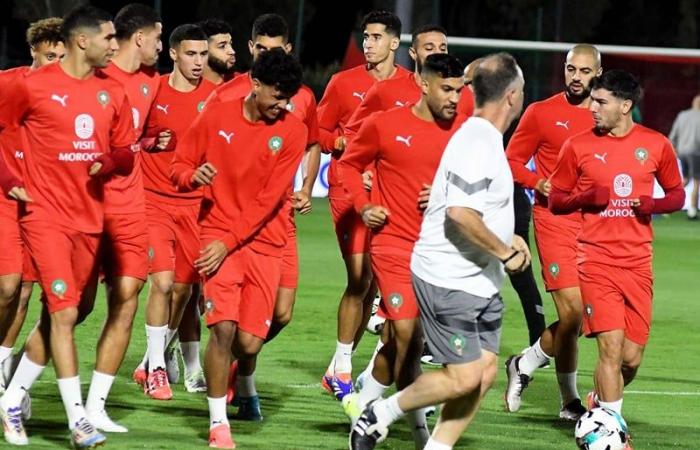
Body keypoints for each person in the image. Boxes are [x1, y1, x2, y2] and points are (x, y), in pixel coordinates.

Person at [350, 52, 530, 450]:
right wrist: (505, 250)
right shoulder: (477, 139)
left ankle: (437, 446)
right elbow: (461, 213)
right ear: (513, 97)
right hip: (451, 278)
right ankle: (378, 414)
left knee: (483, 373)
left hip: (479, 280)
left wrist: (508, 238)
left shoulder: (479, 136)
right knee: (462, 375)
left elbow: (476, 206)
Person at [0, 5, 135, 447]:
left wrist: (107, 161)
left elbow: (126, 152)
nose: (115, 45)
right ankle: (79, 419)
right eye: (109, 38)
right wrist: (10, 179)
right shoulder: (30, 85)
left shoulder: (112, 92)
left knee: (62, 314)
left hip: (89, 219)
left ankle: (11, 398)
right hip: (45, 217)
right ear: (83, 41)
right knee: (63, 312)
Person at [171, 48, 306, 449]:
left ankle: (237, 378)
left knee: (248, 343)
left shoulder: (293, 130)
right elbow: (180, 164)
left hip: (263, 241)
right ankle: (218, 425)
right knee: (223, 329)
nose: (280, 106)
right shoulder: (216, 115)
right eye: (276, 97)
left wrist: (230, 242)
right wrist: (192, 177)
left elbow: (268, 201)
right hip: (215, 236)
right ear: (256, 84)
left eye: (286, 100)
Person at [548, 69, 684, 443]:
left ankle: (600, 402)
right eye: (593, 99)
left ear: (625, 106)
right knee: (609, 348)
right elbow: (556, 199)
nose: (592, 107)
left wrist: (652, 204)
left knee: (631, 358)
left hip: (638, 264)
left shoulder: (655, 145)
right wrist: (583, 199)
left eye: (601, 101)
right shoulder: (577, 146)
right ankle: (609, 435)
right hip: (595, 261)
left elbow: (677, 195)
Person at [339, 53, 467, 449]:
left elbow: (485, 184)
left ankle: (368, 403)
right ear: (424, 85)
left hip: (442, 251)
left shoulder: (466, 131)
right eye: (446, 89)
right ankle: (417, 433)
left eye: (459, 91)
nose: (454, 99)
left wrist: (449, 194)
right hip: (394, 245)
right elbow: (345, 167)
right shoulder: (385, 125)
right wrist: (364, 206)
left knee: (405, 339)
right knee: (408, 333)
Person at [205, 13, 321, 420]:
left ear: (287, 49)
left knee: (281, 315)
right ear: (252, 48)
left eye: (276, 49)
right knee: (225, 325)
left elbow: (314, 143)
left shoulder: (301, 97)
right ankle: (241, 386)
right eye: (262, 49)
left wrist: (306, 187)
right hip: (233, 226)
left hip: (278, 225)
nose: (269, 55)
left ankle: (236, 370)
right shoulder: (227, 97)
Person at [503, 44, 602, 420]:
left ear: (597, 73)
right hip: (554, 222)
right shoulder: (542, 113)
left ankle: (524, 363)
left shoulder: (604, 115)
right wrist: (537, 182)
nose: (576, 77)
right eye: (570, 69)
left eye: (584, 71)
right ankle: (569, 401)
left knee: (583, 319)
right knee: (573, 314)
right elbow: (511, 160)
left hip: (595, 228)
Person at [317, 10, 410, 401]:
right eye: (365, 36)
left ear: (394, 43)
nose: (367, 43)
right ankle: (341, 363)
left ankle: (343, 367)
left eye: (375, 37)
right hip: (348, 191)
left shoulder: (410, 86)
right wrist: (346, 146)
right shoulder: (343, 83)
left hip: (388, 194)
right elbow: (319, 131)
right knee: (360, 277)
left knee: (377, 279)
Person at [85, 3, 163, 432]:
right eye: (158, 37)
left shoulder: (151, 82)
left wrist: (150, 140)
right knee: (73, 308)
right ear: (140, 37)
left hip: (132, 207)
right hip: (91, 204)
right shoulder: (98, 80)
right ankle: (20, 377)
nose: (160, 46)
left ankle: (96, 405)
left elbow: (131, 137)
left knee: (129, 294)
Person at [134, 24, 215, 400]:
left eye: (203, 54)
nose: (198, 62)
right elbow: (128, 137)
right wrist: (150, 142)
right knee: (162, 284)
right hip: (154, 203)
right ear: (173, 54)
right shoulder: (153, 90)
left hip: (195, 208)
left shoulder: (216, 96)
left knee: (183, 292)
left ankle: (153, 357)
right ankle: (155, 370)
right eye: (191, 54)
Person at [0, 16, 65, 392]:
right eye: (47, 56)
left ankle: (4, 364)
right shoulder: (9, 84)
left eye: (60, 56)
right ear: (32, 53)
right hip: (7, 200)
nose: (53, 64)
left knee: (24, 292)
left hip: (44, 206)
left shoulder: (70, 97)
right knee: (7, 287)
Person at [669, 95, 700, 219]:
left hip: (682, 152)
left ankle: (669, 203)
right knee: (697, 181)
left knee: (686, 179)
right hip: (696, 152)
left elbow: (673, 135)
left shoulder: (682, 115)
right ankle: (692, 210)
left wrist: (674, 149)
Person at [198, 18, 236, 85]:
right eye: (222, 46)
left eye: (230, 44)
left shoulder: (245, 83)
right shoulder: (187, 89)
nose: (232, 51)